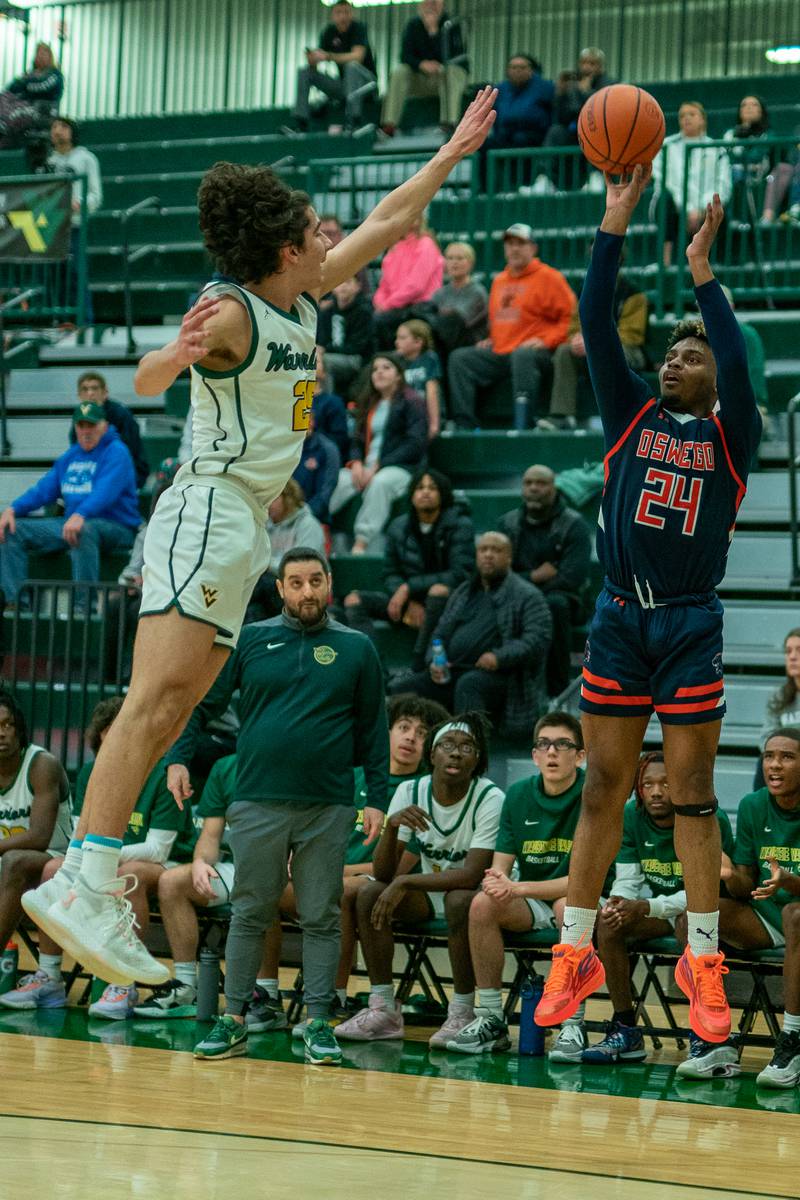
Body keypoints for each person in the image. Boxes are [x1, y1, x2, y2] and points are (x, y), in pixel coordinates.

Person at [20, 89, 498, 988]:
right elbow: (155, 368)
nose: (331, 234)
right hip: (206, 506)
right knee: (153, 701)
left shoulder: (303, 291)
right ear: (287, 247)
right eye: (318, 229)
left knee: (176, 705)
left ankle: (90, 875)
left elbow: (394, 220)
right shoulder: (233, 306)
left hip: (247, 526)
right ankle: (85, 878)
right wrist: (169, 357)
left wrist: (452, 152)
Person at [533, 168, 762, 1048]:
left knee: (695, 794)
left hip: (690, 621)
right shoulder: (627, 415)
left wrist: (704, 272)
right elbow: (595, 322)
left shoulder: (729, 436)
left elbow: (737, 362)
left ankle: (702, 964)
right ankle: (575, 950)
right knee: (603, 787)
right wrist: (613, 222)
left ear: (712, 381)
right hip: (620, 617)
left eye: (690, 355)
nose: (674, 359)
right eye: (669, 352)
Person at [163, 548, 389, 1065]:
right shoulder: (249, 639)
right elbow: (203, 703)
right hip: (257, 801)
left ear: (329, 585)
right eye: (296, 582)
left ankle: (316, 1023)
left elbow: (375, 730)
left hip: (328, 806)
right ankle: (234, 1018)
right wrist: (178, 758)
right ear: (280, 589)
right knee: (249, 912)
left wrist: (376, 798)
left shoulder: (357, 648)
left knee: (321, 917)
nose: (306, 591)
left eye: (315, 581)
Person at [253, 694, 450, 1029]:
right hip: (323, 877)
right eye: (403, 727)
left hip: (379, 886)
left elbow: (398, 868)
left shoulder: (423, 790)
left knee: (342, 891)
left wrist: (331, 870)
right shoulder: (349, 776)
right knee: (261, 889)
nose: (410, 737)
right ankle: (267, 997)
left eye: (421, 733)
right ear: (385, 733)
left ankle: (334, 1000)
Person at [2, 695, 195, 1016]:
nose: (116, 757)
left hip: (166, 864)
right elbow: (81, 831)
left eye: (123, 749)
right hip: (110, 860)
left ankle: (124, 983)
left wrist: (100, 860)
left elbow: (157, 848)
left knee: (125, 875)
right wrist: (94, 860)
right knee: (54, 869)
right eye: (108, 747)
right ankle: (49, 977)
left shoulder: (163, 773)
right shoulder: (95, 771)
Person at [335, 714, 504, 1048]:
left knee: (458, 899)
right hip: (429, 893)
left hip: (473, 896)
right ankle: (383, 1007)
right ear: (432, 755)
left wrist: (406, 883)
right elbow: (384, 875)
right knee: (369, 893)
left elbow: (472, 876)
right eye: (448, 745)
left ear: (479, 760)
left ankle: (462, 1011)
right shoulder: (410, 790)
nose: (456, 753)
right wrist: (393, 826)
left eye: (467, 747)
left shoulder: (490, 797)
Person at [582, 752, 736, 1073]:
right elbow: (628, 878)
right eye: (647, 784)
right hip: (658, 910)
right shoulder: (631, 815)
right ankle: (625, 1027)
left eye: (665, 784)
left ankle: (705, 1034)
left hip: (704, 912)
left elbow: (707, 890)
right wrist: (619, 904)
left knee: (689, 922)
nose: (655, 792)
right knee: (608, 925)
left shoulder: (707, 817)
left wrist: (648, 907)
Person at [446, 711, 587, 1057]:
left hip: (585, 898)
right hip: (534, 897)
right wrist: (500, 885)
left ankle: (573, 1023)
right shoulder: (519, 794)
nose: (552, 752)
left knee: (568, 908)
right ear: (535, 755)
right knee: (482, 903)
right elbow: (499, 872)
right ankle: (491, 1018)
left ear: (580, 756)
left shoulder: (593, 796)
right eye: (544, 744)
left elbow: (582, 881)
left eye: (563, 744)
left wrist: (517, 888)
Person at [392, 531, 552, 738]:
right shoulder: (464, 591)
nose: (488, 555)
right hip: (452, 671)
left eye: (496, 550)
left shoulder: (527, 595)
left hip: (504, 677)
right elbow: (439, 633)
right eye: (483, 549)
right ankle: (406, 749)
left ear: (509, 557)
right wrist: (434, 660)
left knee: (470, 684)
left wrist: (499, 656)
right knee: (402, 687)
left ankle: (471, 749)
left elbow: (537, 639)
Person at [718, 729, 800, 1088]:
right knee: (697, 919)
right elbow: (745, 884)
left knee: (795, 914)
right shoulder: (753, 805)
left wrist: (788, 881)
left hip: (795, 914)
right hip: (768, 917)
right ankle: (713, 1037)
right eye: (769, 756)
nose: (775, 765)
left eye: (787, 756)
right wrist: (724, 873)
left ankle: (793, 1038)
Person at [0, 401, 140, 608]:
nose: (86, 431)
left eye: (91, 425)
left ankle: (83, 609)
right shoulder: (71, 456)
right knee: (11, 530)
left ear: (104, 425)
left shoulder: (117, 452)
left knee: (82, 530)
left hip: (117, 527)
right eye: (81, 425)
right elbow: (44, 489)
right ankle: (17, 607)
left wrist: (81, 513)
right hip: (72, 523)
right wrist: (13, 509)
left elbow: (105, 492)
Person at [132, 751, 238, 1019]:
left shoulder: (288, 766)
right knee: (172, 881)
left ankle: (266, 996)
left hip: (279, 865)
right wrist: (201, 861)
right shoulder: (225, 767)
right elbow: (210, 835)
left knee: (264, 892)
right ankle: (187, 987)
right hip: (236, 866)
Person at [343, 467, 475, 670]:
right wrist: (407, 598)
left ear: (443, 494)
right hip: (406, 602)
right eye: (420, 488)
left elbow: (460, 574)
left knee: (437, 591)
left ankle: (419, 663)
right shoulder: (399, 527)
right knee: (353, 600)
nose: (425, 492)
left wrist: (408, 588)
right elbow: (390, 573)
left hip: (449, 603)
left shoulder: (460, 524)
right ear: (412, 495)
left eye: (432, 488)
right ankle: (375, 670)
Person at [447, 223, 575, 430]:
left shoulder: (550, 277)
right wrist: (492, 339)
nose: (514, 248)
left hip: (536, 354)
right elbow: (501, 320)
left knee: (521, 354)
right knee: (460, 359)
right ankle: (464, 424)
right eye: (509, 244)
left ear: (533, 248)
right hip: (502, 351)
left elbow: (570, 319)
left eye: (520, 243)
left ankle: (524, 424)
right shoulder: (499, 280)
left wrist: (546, 340)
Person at [0, 690, 71, 997]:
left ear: (19, 728)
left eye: (7, 724)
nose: (0, 733)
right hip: (8, 859)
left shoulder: (42, 764)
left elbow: (40, 837)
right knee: (12, 860)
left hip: (56, 858)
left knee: (15, 859)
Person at [499, 464, 592, 698]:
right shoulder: (507, 524)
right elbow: (497, 573)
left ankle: (558, 690)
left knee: (554, 605)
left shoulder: (574, 525)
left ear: (554, 488)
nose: (534, 488)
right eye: (528, 483)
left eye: (541, 483)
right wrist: (532, 577)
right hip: (517, 595)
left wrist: (525, 588)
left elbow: (571, 578)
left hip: (565, 599)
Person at [328, 353, 428, 554]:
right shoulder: (369, 402)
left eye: (386, 368)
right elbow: (356, 439)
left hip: (401, 468)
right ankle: (321, 527)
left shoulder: (413, 402)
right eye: (375, 369)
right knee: (337, 479)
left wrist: (379, 465)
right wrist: (355, 463)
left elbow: (414, 444)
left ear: (399, 375)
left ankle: (361, 542)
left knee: (380, 484)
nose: (379, 372)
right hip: (366, 467)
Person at [537, 268, 648, 431]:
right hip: (592, 349)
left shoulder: (633, 292)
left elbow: (632, 334)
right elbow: (574, 325)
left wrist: (595, 342)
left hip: (627, 349)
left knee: (616, 353)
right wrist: (576, 338)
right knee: (565, 351)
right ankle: (562, 416)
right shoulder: (585, 289)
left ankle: (622, 416)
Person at [651, 101, 732, 265]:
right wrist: (687, 208)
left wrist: (702, 208)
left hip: (705, 209)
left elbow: (723, 185)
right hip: (676, 207)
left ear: (703, 119)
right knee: (664, 201)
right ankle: (664, 262)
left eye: (692, 114)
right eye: (682, 115)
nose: (686, 118)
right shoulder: (665, 146)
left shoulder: (717, 149)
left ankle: (709, 264)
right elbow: (664, 181)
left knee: (719, 210)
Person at [381, 0, 469, 138]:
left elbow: (457, 56)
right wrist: (421, 64)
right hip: (422, 79)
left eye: (435, 2)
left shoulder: (452, 24)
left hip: (447, 78)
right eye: (428, 2)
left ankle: (449, 123)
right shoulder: (413, 24)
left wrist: (434, 31)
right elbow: (405, 56)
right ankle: (389, 125)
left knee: (451, 71)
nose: (431, 5)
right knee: (400, 71)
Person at [247, 478, 328, 622]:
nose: (267, 504)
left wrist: (264, 563)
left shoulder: (308, 525)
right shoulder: (265, 525)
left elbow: (303, 568)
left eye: (272, 498)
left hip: (300, 588)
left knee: (257, 585)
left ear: (288, 498)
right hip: (271, 590)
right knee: (254, 610)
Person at [290, 0, 377, 134]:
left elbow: (357, 57)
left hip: (366, 85)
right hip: (344, 86)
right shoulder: (329, 32)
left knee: (352, 66)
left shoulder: (359, 28)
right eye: (339, 12)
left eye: (346, 12)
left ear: (352, 13)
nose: (343, 17)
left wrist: (328, 56)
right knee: (304, 72)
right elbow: (318, 60)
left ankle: (353, 120)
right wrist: (313, 58)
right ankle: (301, 122)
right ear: (333, 15)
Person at [49, 117, 103, 325]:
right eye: (53, 127)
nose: (57, 131)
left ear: (72, 132)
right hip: (53, 227)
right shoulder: (49, 162)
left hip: (76, 225)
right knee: (55, 275)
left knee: (77, 273)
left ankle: (84, 321)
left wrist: (79, 204)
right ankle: (60, 320)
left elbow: (96, 195)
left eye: (63, 126)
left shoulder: (86, 158)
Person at [539, 48, 612, 190]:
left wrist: (586, 93)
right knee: (555, 131)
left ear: (601, 66)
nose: (587, 67)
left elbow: (598, 113)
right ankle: (545, 179)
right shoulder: (574, 84)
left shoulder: (609, 83)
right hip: (576, 132)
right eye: (584, 63)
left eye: (592, 63)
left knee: (598, 135)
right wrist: (560, 93)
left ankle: (596, 178)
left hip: (600, 133)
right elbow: (562, 117)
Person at [480, 55, 553, 188]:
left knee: (521, 141)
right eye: (513, 67)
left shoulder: (545, 88)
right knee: (486, 144)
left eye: (522, 67)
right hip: (506, 135)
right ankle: (486, 189)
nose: (517, 71)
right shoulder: (500, 89)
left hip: (534, 136)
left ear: (531, 70)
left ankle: (523, 185)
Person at [69, 371, 149, 489]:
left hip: (127, 471)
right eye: (85, 389)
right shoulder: (79, 418)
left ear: (105, 393)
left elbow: (128, 455)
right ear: (79, 395)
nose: (90, 393)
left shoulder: (121, 415)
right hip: (93, 472)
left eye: (94, 388)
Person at [372, 217, 444, 350]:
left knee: (380, 321)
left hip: (420, 306)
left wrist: (387, 304)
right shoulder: (394, 248)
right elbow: (384, 285)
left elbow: (416, 286)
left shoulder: (426, 244)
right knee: (374, 318)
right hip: (396, 307)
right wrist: (379, 302)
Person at [316, 277, 375, 396]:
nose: (342, 286)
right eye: (339, 282)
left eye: (348, 282)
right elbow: (320, 340)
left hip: (356, 359)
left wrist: (323, 351)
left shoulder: (364, 312)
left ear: (358, 286)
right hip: (330, 355)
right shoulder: (327, 312)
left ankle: (327, 402)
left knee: (325, 361)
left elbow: (357, 347)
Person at [430, 241, 488, 350]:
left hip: (469, 343)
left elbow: (458, 319)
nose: (454, 262)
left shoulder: (477, 292)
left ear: (470, 263)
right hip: (445, 340)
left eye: (460, 258)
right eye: (450, 258)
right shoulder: (440, 292)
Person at [395, 318, 442, 437]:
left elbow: (432, 392)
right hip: (404, 415)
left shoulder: (429, 358)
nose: (397, 342)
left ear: (418, 342)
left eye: (402, 338)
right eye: (397, 337)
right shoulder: (395, 362)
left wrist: (434, 424)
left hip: (423, 414)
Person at [291, 417, 340, 525]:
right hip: (281, 519)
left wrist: (300, 516)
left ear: (312, 421)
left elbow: (325, 494)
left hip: (313, 520)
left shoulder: (327, 449)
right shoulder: (286, 447)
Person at [311, 349, 350, 461]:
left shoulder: (333, 402)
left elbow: (339, 440)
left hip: (320, 459)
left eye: (315, 360)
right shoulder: (289, 401)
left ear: (324, 373)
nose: (308, 363)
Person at [4, 42, 63, 114]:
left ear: (50, 57)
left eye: (44, 54)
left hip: (46, 112)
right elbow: (12, 88)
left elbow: (42, 86)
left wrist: (25, 84)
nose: (41, 56)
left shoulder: (55, 74)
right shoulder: (30, 73)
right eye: (38, 53)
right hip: (26, 109)